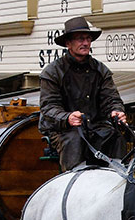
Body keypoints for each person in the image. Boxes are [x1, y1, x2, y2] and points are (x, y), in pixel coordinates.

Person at [39, 16, 128, 171]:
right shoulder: (53, 72)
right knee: (74, 139)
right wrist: (67, 117)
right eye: (80, 39)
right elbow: (48, 108)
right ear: (68, 43)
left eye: (88, 39)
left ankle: (118, 176)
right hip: (63, 130)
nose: (86, 43)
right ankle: (74, 179)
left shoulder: (100, 70)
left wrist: (116, 112)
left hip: (95, 126)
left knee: (115, 136)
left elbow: (111, 99)